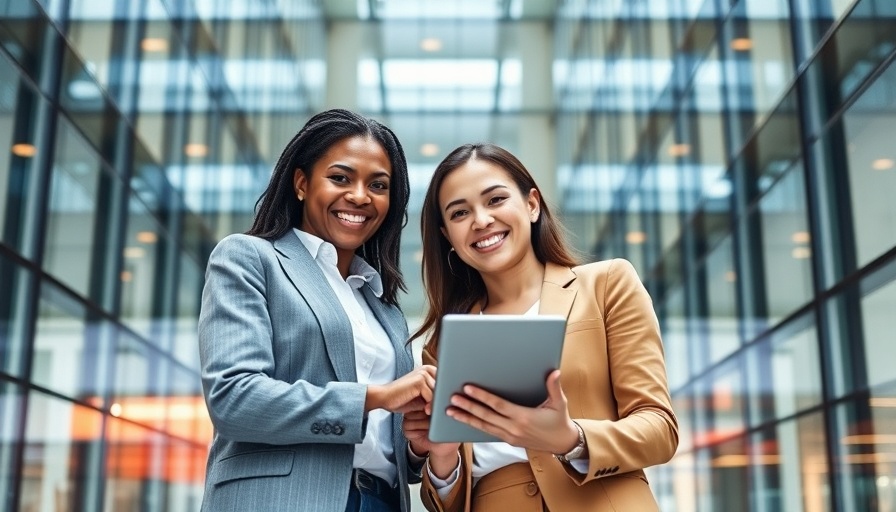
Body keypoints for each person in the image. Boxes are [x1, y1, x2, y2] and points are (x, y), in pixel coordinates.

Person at [403, 143, 679, 511]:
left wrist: (572, 439)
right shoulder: (443, 346)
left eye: (496, 199)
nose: (481, 220)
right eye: (460, 213)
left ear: (532, 204)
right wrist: (442, 461)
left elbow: (660, 429)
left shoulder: (607, 285)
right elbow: (448, 501)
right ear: (447, 235)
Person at [197, 109, 436, 512]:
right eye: (340, 178)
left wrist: (415, 445)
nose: (360, 196)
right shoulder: (250, 258)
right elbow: (233, 397)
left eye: (378, 185)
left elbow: (387, 443)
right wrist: (376, 397)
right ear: (302, 183)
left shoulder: (383, 307)